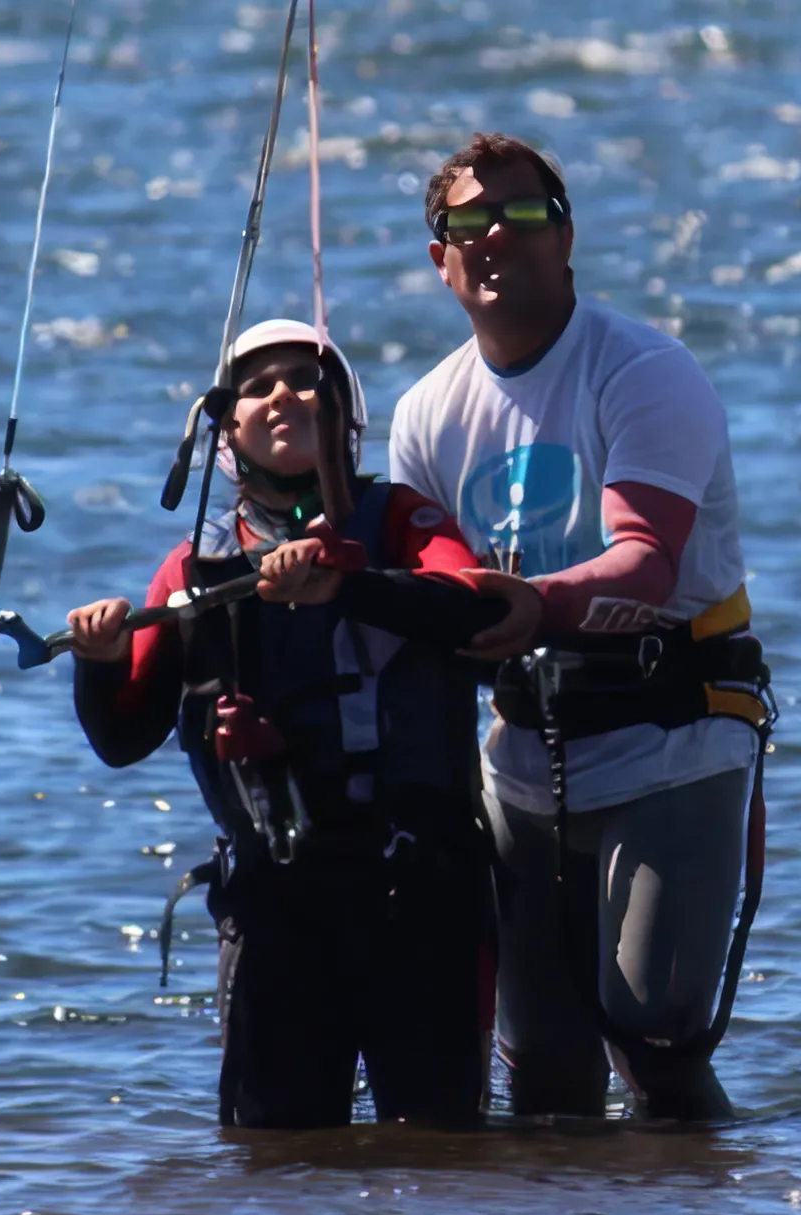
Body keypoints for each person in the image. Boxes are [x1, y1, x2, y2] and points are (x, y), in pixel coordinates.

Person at [65, 319, 535, 1128]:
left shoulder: (401, 523)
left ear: (348, 419)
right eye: (258, 386)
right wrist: (99, 660)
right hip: (276, 902)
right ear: (225, 434)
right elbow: (122, 739)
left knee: (440, 1151)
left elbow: (477, 609)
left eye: (306, 379)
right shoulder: (195, 568)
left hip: (418, 896)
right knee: (274, 1160)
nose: (283, 393)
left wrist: (343, 587)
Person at [388, 132, 771, 1122]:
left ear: (565, 238)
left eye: (520, 213)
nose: (493, 235)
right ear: (441, 259)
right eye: (465, 222)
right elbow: (426, 573)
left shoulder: (642, 368)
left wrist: (537, 603)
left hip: (674, 731)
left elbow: (645, 560)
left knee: (656, 1045)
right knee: (546, 1077)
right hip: (523, 753)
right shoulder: (426, 412)